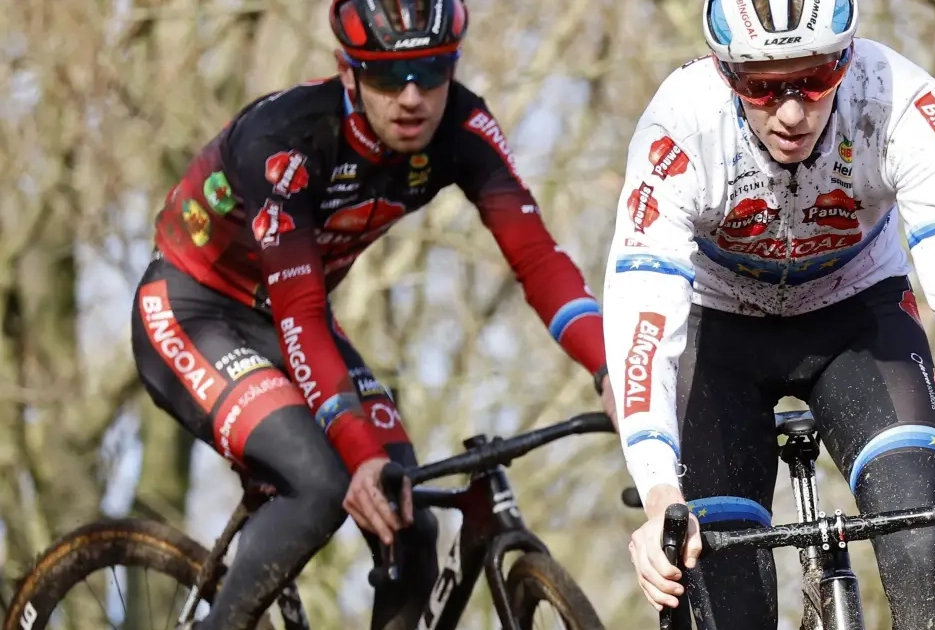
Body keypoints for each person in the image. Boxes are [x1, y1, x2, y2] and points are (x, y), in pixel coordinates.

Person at [130, 0, 615, 628]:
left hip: (289, 321)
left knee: (407, 518)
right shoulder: (286, 142)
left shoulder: (463, 128)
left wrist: (613, 372)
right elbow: (302, 313)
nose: (412, 97)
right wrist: (358, 452)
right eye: (387, 76)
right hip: (194, 311)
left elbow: (538, 259)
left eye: (432, 72)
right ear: (348, 72)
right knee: (322, 485)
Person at [603, 0, 935, 628]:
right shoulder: (681, 123)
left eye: (814, 78)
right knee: (723, 588)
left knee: (917, 542)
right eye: (762, 85)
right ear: (725, 72)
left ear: (846, 59)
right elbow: (642, 311)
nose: (791, 112)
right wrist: (658, 494)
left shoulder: (898, 99)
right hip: (717, 332)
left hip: (857, 318)